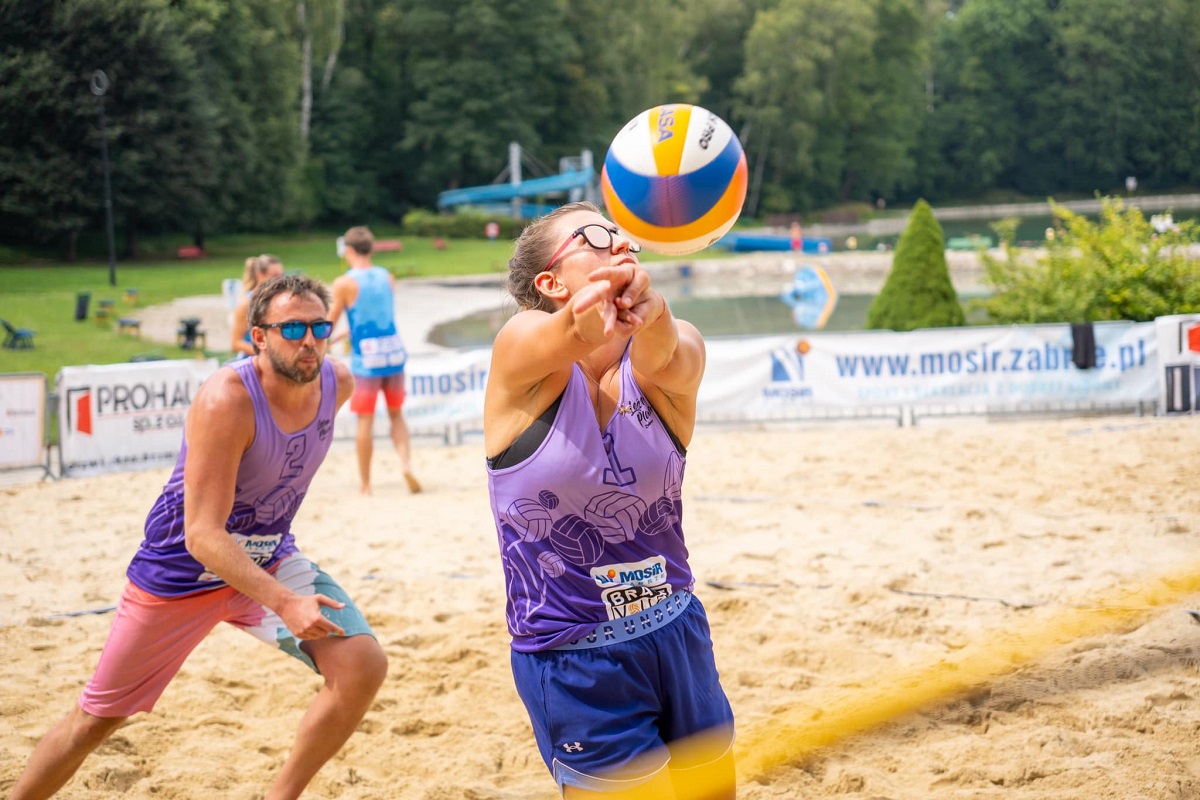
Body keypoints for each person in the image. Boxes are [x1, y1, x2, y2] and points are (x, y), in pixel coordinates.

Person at [8, 274, 388, 800]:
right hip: (180, 574)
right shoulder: (226, 399)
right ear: (259, 337)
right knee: (94, 722)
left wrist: (280, 588)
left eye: (319, 327)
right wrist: (286, 603)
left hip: (266, 558)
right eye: (292, 328)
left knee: (362, 666)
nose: (308, 340)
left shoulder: (336, 384)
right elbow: (202, 535)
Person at [483, 201, 736, 798]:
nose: (621, 242)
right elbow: (575, 329)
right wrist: (608, 305)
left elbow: (665, 353)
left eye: (624, 237)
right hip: (573, 656)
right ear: (550, 282)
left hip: (676, 629)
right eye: (596, 236)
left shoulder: (674, 346)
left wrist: (653, 311)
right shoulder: (520, 349)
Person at [329, 225, 421, 496]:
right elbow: (377, 316)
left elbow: (330, 322)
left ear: (348, 250)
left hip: (367, 360)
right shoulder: (386, 277)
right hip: (393, 353)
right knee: (396, 415)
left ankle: (366, 484)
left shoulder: (344, 283)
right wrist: (350, 330)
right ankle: (405, 464)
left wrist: (325, 340)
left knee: (365, 421)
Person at [230, 253, 286, 357]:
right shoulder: (247, 304)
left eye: (281, 275)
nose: (279, 280)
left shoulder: (279, 301)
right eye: (274, 276)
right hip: (252, 361)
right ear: (260, 275)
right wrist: (267, 354)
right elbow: (236, 344)